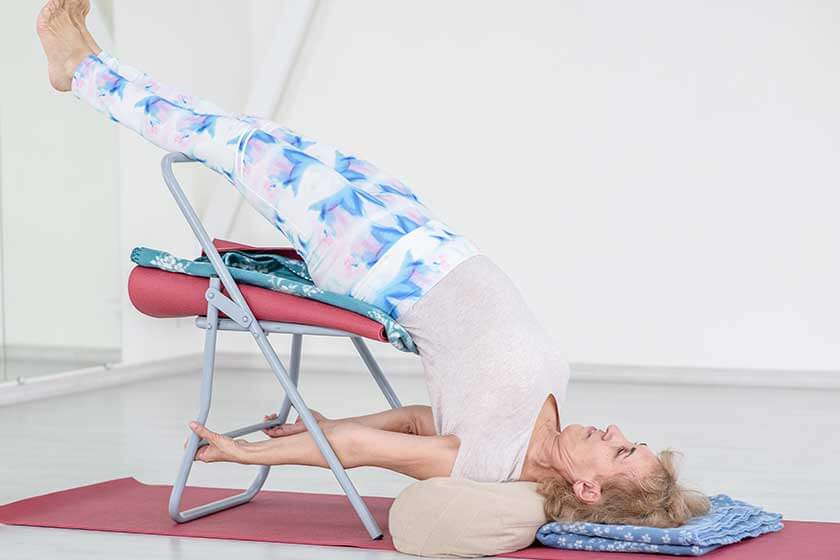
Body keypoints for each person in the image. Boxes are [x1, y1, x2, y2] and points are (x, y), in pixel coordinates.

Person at [36, 0, 709, 527]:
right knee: (268, 137)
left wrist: (256, 451)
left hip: (374, 260)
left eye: (621, 449)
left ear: (588, 488)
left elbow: (372, 452)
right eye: (630, 438)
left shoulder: (486, 466)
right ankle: (96, 64)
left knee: (234, 143)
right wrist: (325, 425)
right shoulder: (551, 428)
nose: (617, 431)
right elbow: (418, 419)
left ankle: (82, 72)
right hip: (423, 235)